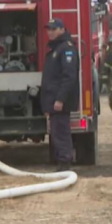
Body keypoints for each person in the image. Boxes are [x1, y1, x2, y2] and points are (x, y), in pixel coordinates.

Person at [40, 18, 79, 168]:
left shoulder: (66, 49)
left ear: (62, 30)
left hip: (60, 102)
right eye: (49, 29)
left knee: (61, 133)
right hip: (53, 101)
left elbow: (69, 77)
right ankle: (61, 162)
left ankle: (64, 164)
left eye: (53, 29)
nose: (50, 32)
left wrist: (60, 99)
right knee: (56, 133)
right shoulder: (56, 49)